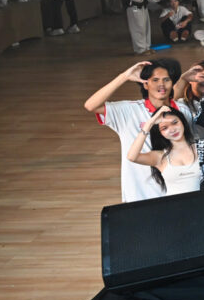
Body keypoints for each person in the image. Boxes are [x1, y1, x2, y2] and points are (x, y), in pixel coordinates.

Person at [83, 60, 195, 202]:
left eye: (166, 80)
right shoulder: (129, 110)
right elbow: (91, 105)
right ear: (145, 84)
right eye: (155, 80)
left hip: (179, 193)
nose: (161, 84)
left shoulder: (183, 110)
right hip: (139, 195)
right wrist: (124, 76)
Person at [126, 106, 204, 195]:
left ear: (182, 122)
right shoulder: (160, 156)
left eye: (175, 122)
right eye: (164, 128)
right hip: (173, 205)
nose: (172, 129)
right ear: (159, 133)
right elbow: (132, 157)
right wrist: (149, 123)